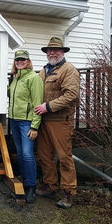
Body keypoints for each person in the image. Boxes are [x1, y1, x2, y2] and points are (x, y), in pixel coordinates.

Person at [34, 37, 80, 209]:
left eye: (56, 50)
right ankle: (50, 185)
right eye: (49, 50)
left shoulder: (69, 70)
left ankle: (68, 193)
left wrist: (48, 106)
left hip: (60, 120)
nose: (52, 53)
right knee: (44, 155)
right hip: (44, 119)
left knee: (64, 156)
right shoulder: (44, 71)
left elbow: (71, 95)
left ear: (63, 52)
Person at [8, 50, 44, 204]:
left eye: (23, 60)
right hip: (14, 120)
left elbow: (37, 103)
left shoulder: (33, 78)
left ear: (28, 61)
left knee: (27, 153)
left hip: (26, 122)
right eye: (17, 60)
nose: (20, 62)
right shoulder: (15, 78)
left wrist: (35, 126)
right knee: (20, 153)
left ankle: (31, 186)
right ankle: (23, 178)